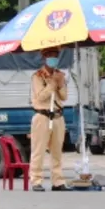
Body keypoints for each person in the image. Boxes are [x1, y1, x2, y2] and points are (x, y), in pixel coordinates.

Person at [29, 47, 69, 191]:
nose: (53, 58)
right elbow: (40, 96)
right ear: (44, 57)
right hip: (42, 116)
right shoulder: (37, 76)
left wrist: (60, 83)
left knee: (57, 151)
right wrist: (52, 84)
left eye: (55, 55)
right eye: (50, 55)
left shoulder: (60, 75)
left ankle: (57, 181)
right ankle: (36, 180)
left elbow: (64, 96)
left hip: (58, 116)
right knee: (38, 150)